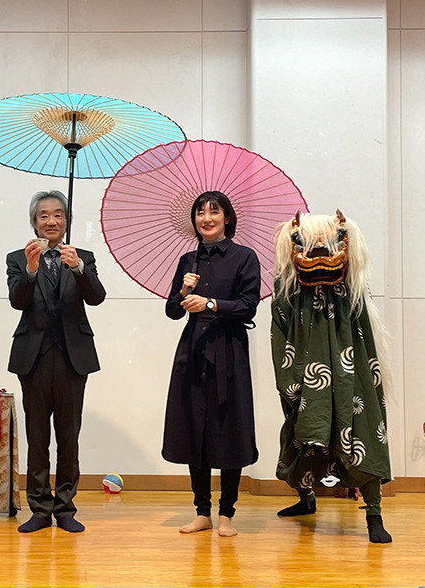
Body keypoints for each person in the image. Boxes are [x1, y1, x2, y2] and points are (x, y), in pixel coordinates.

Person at [270, 210, 392, 543]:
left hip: (351, 373)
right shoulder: (286, 288)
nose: (320, 254)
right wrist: (289, 378)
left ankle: (374, 513)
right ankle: (306, 498)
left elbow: (365, 334)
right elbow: (280, 334)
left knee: (362, 433)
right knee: (303, 435)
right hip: (305, 375)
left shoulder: (351, 285)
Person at [6, 190, 106, 533]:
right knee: (37, 436)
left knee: (68, 435)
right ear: (34, 222)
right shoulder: (18, 258)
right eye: (44, 215)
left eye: (58, 214)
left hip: (72, 357)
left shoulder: (82, 256)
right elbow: (18, 301)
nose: (51, 221)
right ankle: (39, 508)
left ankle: (65, 507)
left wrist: (78, 268)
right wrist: (31, 271)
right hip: (32, 357)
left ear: (67, 220)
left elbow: (96, 297)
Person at [161, 191, 260, 537]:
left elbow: (248, 306)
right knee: (194, 428)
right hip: (193, 348)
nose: (206, 218)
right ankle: (202, 512)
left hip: (229, 348)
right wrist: (181, 293)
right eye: (200, 213)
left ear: (227, 218)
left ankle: (227, 514)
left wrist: (212, 303)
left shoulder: (244, 257)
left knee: (229, 428)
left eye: (214, 212)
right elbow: (172, 312)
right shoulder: (187, 260)